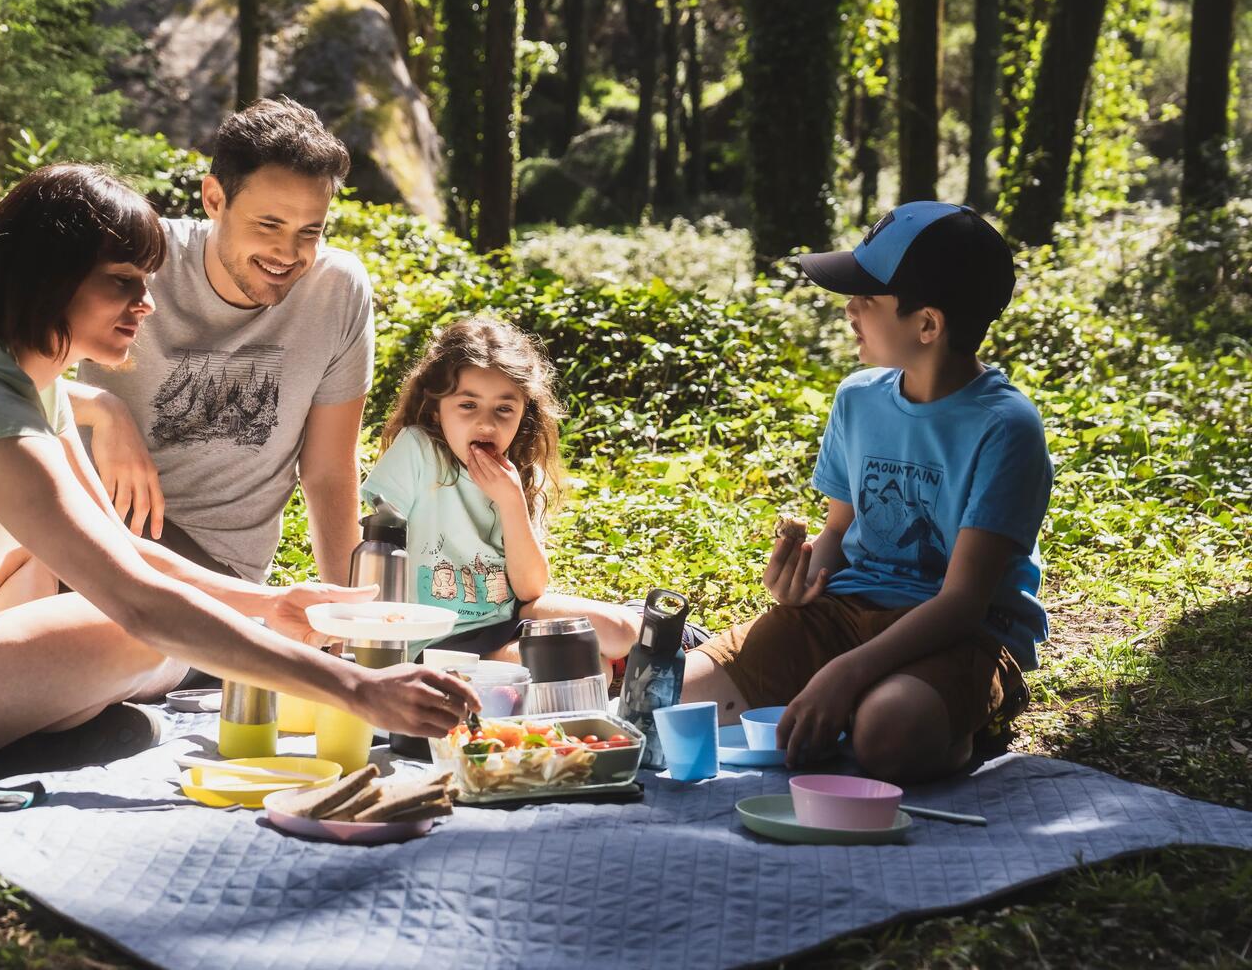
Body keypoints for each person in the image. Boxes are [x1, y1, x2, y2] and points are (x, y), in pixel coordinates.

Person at [0, 164, 476, 784]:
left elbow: (123, 550)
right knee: (139, 633)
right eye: (122, 282)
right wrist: (359, 689)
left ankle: (9, 728)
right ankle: (4, 734)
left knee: (132, 616)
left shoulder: (20, 373)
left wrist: (269, 603)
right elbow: (137, 600)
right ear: (47, 280)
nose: (144, 304)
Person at [684, 202, 1052, 784]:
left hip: (960, 635)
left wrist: (845, 674)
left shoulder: (1006, 428)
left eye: (868, 299)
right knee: (677, 698)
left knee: (886, 737)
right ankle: (863, 705)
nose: (849, 309)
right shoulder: (858, 398)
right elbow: (838, 531)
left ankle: (968, 715)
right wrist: (803, 583)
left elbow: (963, 603)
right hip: (845, 613)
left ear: (927, 325)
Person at [75, 98, 373, 585]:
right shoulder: (136, 260)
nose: (287, 252)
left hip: (225, 577)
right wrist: (99, 406)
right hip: (99, 545)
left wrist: (349, 620)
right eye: (268, 224)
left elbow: (327, 472)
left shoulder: (336, 291)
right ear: (214, 199)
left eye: (310, 232)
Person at [359, 316, 646, 669]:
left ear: (525, 412)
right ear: (436, 411)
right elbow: (371, 546)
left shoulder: (523, 473)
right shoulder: (419, 451)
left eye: (504, 409)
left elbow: (530, 590)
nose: (486, 423)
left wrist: (511, 501)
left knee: (623, 630)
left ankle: (617, 651)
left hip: (507, 620)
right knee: (582, 666)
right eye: (468, 405)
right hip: (436, 640)